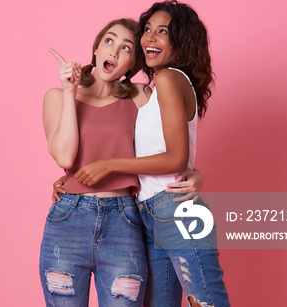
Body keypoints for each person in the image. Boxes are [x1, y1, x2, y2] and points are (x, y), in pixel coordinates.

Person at [73, 1, 230, 307]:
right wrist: (71, 179)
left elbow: (174, 158)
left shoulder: (171, 78)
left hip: (174, 211)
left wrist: (108, 165)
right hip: (149, 214)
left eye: (163, 32)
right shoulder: (155, 90)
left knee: (209, 303)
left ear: (181, 41)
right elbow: (141, 149)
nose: (150, 38)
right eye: (147, 30)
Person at [39, 18, 204, 307]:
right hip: (68, 222)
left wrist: (195, 172)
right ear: (96, 49)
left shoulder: (140, 97)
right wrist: (70, 92)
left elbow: (170, 147)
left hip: (123, 223)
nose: (114, 52)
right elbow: (65, 157)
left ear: (132, 64)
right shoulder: (57, 97)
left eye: (126, 48)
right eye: (109, 41)